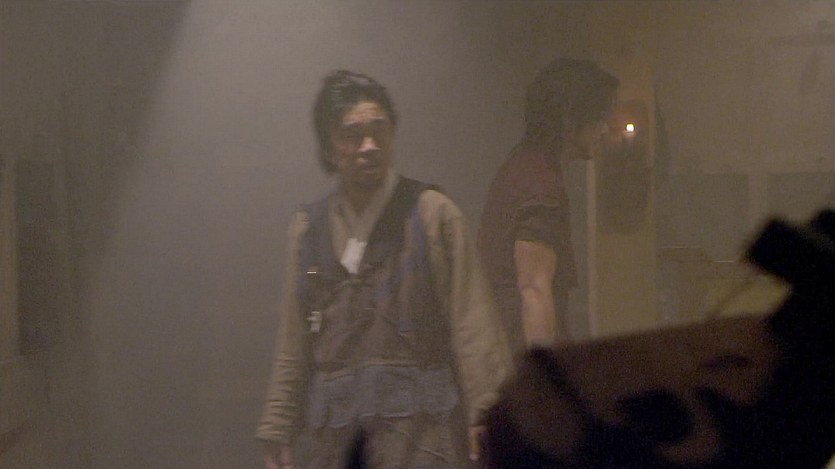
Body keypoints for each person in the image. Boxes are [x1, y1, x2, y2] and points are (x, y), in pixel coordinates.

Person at [256, 70, 511, 469]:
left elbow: (473, 323)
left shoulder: (432, 215)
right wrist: (278, 424)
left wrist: (491, 413)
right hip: (336, 442)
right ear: (328, 147)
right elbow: (294, 340)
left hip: (421, 438)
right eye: (352, 134)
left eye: (379, 130)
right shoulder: (308, 231)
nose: (369, 146)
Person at [478, 58, 619, 352]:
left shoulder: (526, 168)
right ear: (570, 121)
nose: (605, 129)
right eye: (599, 117)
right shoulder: (539, 184)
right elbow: (533, 289)